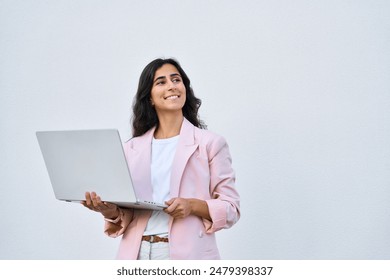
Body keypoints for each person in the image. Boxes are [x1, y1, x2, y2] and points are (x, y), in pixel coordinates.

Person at [82, 58, 240, 260]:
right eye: (161, 82)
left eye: (176, 80)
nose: (172, 86)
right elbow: (128, 213)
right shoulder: (131, 148)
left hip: (186, 255)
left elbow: (231, 208)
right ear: (149, 97)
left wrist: (192, 205)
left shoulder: (210, 143)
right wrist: (109, 210)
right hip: (136, 253)